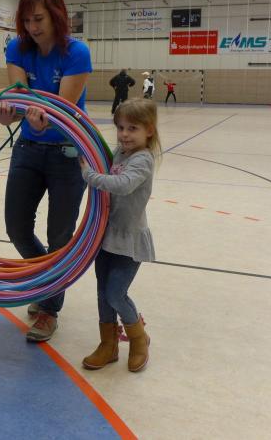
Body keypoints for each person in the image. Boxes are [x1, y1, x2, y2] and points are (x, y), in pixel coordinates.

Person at [0, 0, 92, 342]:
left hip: (67, 152)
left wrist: (36, 116)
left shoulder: (76, 52)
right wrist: (8, 114)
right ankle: (45, 282)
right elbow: (20, 102)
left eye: (39, 19)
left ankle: (49, 307)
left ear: (57, 17)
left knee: (59, 237)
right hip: (29, 149)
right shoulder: (17, 48)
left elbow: (60, 110)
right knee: (16, 227)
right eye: (26, 20)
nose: (32, 27)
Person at [79, 98, 160, 372]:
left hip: (128, 239)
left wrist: (89, 175)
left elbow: (123, 185)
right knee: (103, 293)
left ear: (149, 130)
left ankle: (139, 339)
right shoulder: (120, 153)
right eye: (121, 128)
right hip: (105, 235)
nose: (124, 134)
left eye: (132, 128)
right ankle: (108, 345)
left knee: (116, 293)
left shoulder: (143, 159)